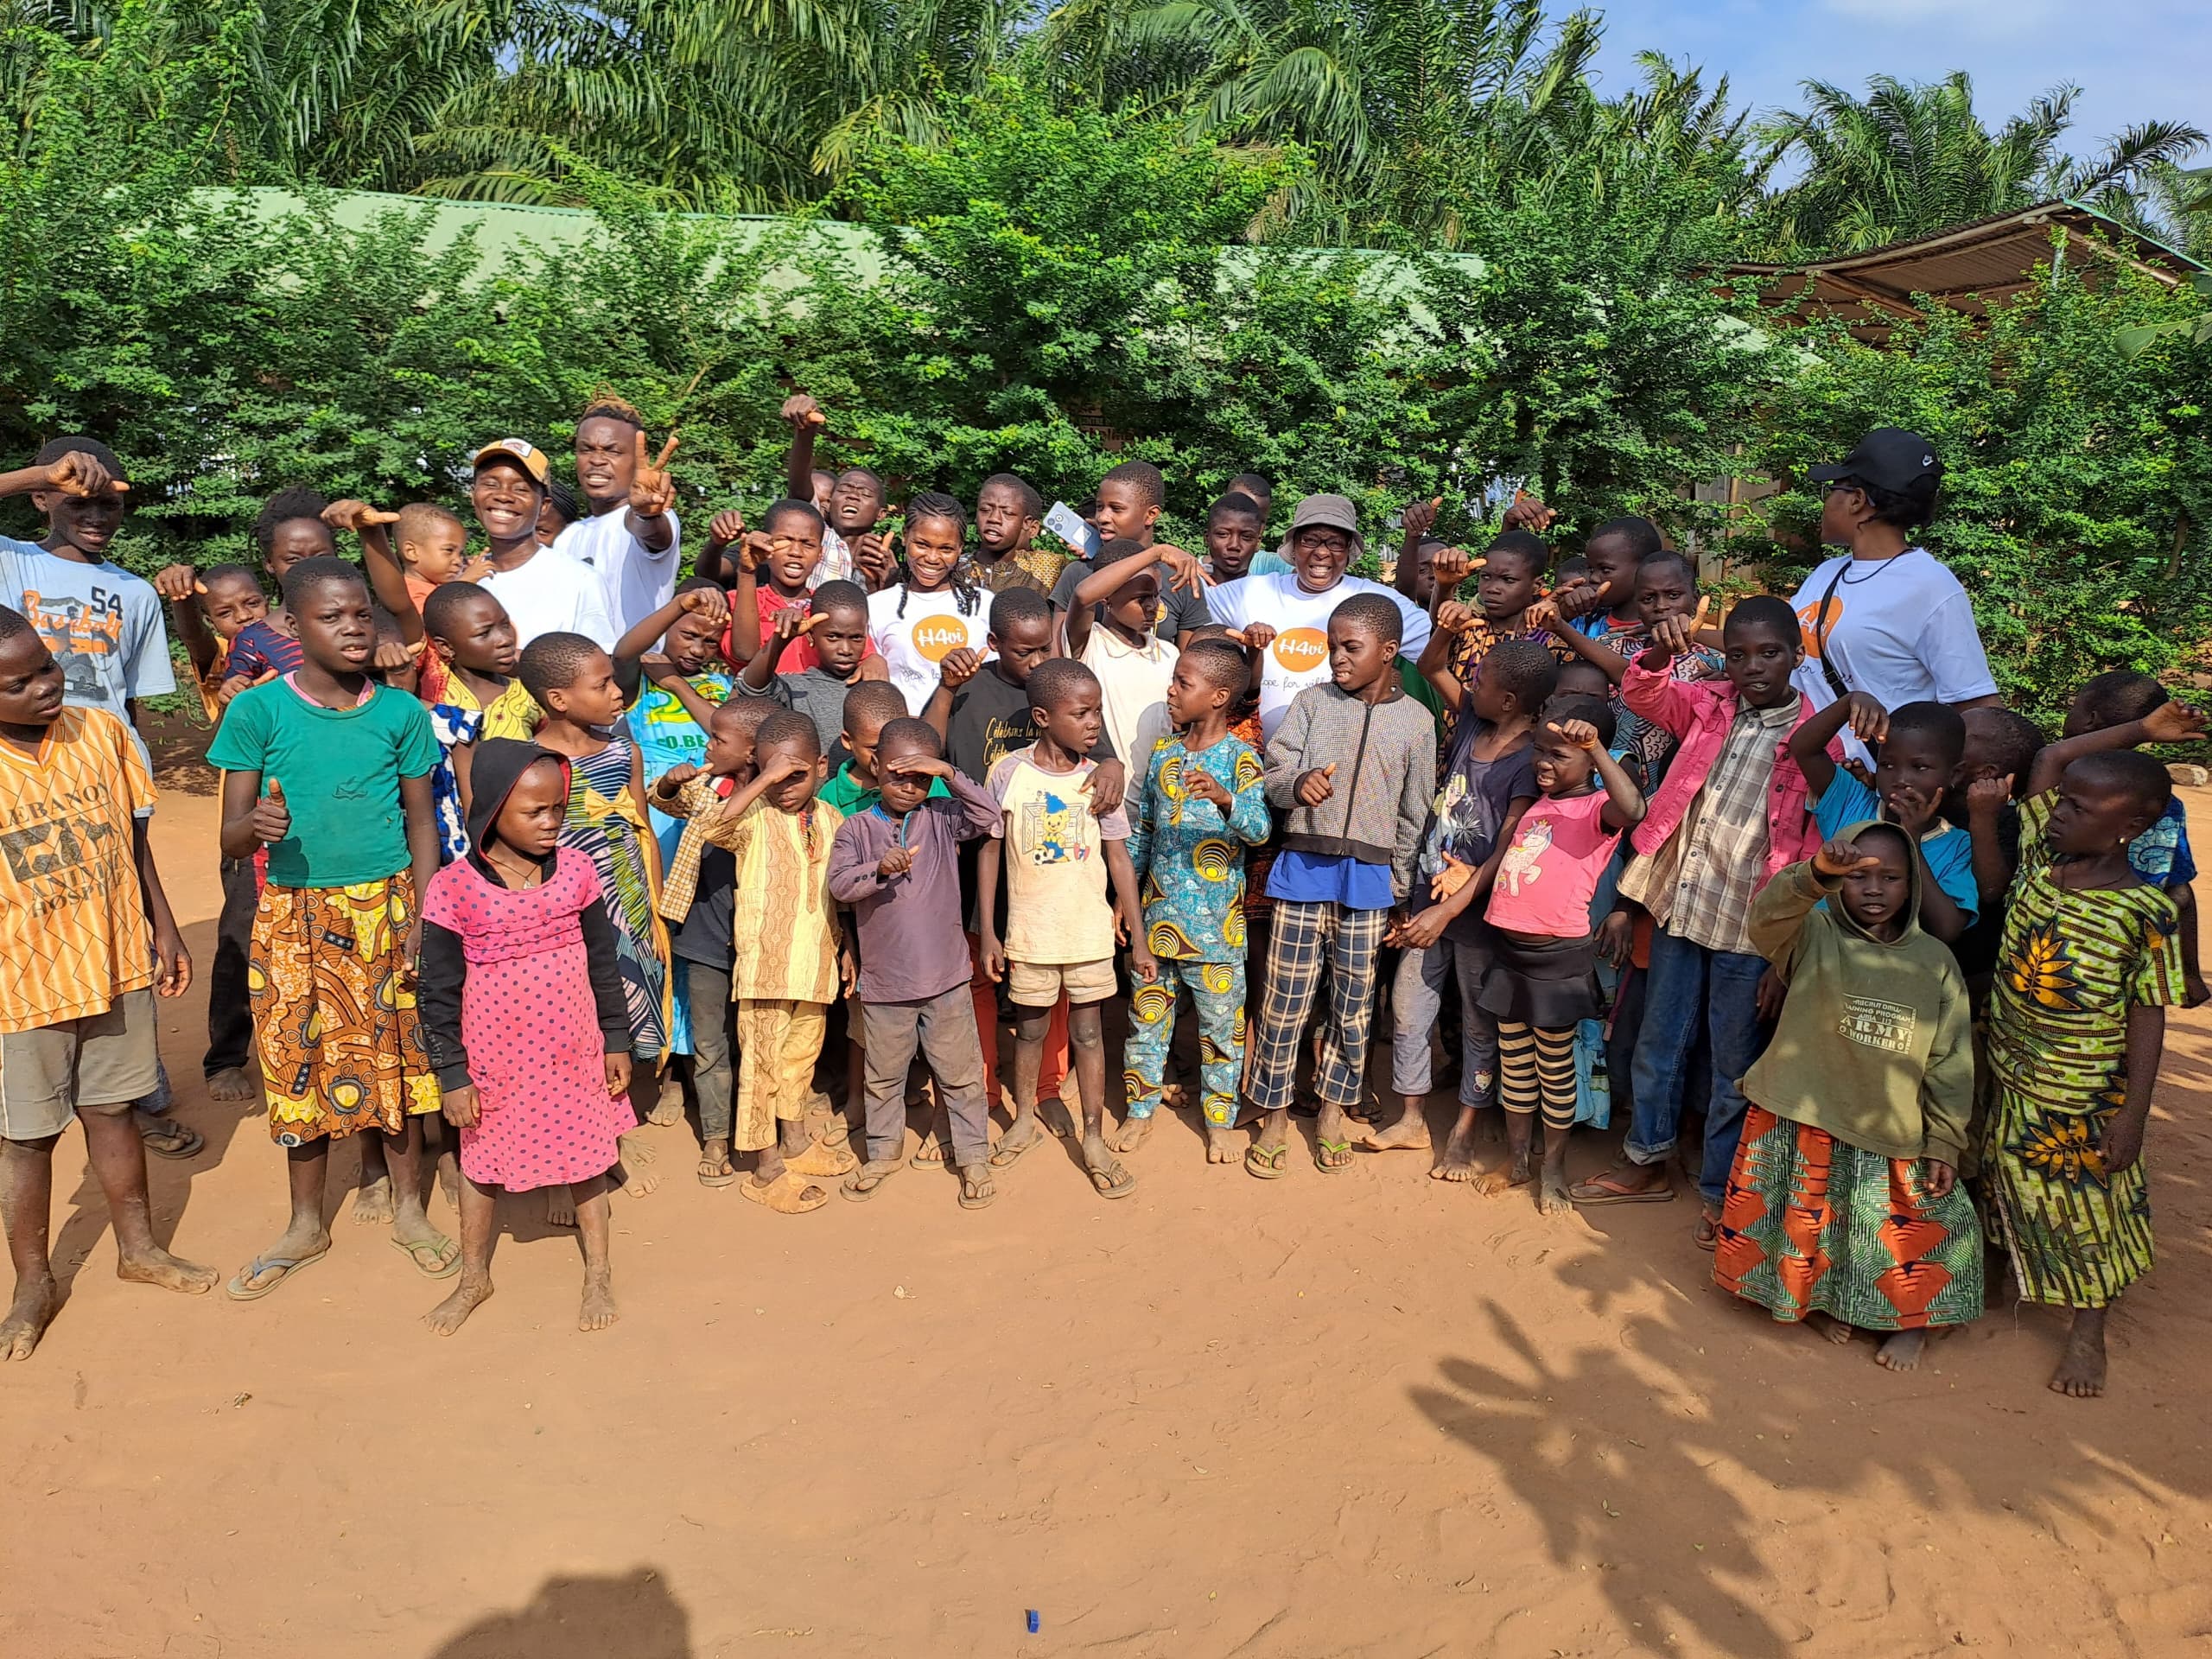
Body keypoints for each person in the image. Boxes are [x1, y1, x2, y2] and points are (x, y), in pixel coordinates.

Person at [207, 557, 456, 1300]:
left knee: (399, 1063)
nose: (353, 628)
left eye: (361, 615)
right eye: (331, 616)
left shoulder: (400, 714)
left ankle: (411, 1209)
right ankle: (305, 1222)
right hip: (293, 913)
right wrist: (254, 826)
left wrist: (424, 909)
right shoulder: (257, 713)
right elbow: (229, 836)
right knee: (296, 1062)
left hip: (385, 908)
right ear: (291, 625)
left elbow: (420, 818)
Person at [1569, 598, 1827, 1238]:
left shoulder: (1815, 737)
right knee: (1660, 1042)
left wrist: (1787, 949)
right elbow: (1643, 690)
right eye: (1737, 654)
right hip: (1684, 907)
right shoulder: (1709, 703)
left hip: (1752, 928)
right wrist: (1660, 650)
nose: (1752, 667)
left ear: (1797, 657)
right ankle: (1648, 1160)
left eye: (1769, 653)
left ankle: (1721, 1188)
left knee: (1732, 1064)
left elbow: (1817, 845)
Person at [0, 607, 213, 1361]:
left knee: (114, 1110)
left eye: (46, 668)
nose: (42, 688)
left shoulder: (102, 732)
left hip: (115, 960)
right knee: (27, 1138)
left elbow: (134, 835)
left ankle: (139, 1248)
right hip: (21, 985)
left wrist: (162, 923)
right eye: (16, 683)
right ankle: (33, 1282)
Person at [1714, 823, 1981, 1371]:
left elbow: (1950, 1062)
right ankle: (1810, 1302)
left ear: (1913, 887)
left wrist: (1945, 1142)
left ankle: (1914, 1322)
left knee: (1907, 1237)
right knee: (1808, 1224)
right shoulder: (1813, 934)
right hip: (1801, 1112)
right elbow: (1765, 918)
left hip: (1887, 1125)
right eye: (1858, 877)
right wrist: (1814, 876)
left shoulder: (1935, 961)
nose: (1875, 889)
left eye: (1891, 877)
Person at [1982, 750, 2183, 1398]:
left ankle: (2086, 1330)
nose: (2059, 814)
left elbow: (2148, 1016)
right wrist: (2146, 731)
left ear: (2131, 826)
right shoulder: (2045, 862)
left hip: (2082, 1090)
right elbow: (2051, 758)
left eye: (2078, 808)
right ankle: (1999, 1275)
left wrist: (2133, 1115)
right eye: (2062, 801)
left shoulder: (2147, 913)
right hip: (2004, 1066)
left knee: (2087, 1209)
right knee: (1996, 1176)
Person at [416, 741, 633, 1336]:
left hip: (574, 1050)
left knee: (588, 1159)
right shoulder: (454, 889)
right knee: (481, 1165)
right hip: (495, 1060)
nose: (550, 823)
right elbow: (435, 990)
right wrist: (452, 1074)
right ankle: (473, 1277)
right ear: (490, 811)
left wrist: (616, 1037)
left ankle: (598, 1273)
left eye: (557, 810)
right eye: (533, 813)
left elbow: (603, 962)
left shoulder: (578, 873)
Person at [1246, 594, 1436, 1179]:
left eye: (1350, 648)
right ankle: (1275, 1115)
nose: (1337, 659)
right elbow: (1271, 772)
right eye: (1332, 646)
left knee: (1353, 1010)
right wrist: (1296, 784)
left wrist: (1400, 889)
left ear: (1388, 651)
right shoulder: (1311, 704)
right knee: (1284, 1001)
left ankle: (1330, 1113)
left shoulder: (1418, 723)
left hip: (1371, 885)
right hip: (1303, 872)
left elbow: (1416, 813)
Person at [656, 711, 855, 1214]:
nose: (784, 787)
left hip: (814, 966)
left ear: (823, 767)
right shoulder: (751, 818)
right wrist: (764, 780)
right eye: (772, 774)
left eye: (797, 775)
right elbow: (713, 825)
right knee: (761, 1068)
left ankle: (794, 1142)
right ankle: (765, 1166)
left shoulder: (832, 821)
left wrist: (845, 947)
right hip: (764, 970)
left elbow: (834, 895)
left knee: (798, 1063)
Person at [1373, 639, 1550, 1177]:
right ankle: (1411, 1117)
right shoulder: (1475, 723)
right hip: (1430, 899)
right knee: (1409, 1008)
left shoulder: (1529, 759)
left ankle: (1466, 1128)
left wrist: (1448, 912)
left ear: (1511, 699)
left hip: (1474, 914)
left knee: (1478, 1023)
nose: (1472, 684)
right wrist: (1445, 616)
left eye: (1484, 679)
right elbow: (1430, 665)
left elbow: (1507, 847)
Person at [976, 659, 1147, 1200]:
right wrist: (988, 930)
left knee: (1089, 1033)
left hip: (1089, 933)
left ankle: (1092, 1138)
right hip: (1029, 931)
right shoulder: (1007, 772)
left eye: (1097, 710)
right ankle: (1024, 1118)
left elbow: (1118, 859)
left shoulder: (1100, 778)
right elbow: (990, 849)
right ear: (1044, 717)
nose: (1095, 721)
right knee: (1028, 1030)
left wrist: (1139, 939)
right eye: (1082, 712)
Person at [827, 718, 1005, 1209]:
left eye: (920, 777)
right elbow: (840, 885)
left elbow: (992, 818)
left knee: (961, 1072)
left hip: (946, 977)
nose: (909, 786)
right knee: (884, 1075)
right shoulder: (857, 828)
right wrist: (877, 868)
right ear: (875, 766)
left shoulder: (944, 817)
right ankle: (883, 1153)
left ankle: (972, 1156)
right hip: (886, 983)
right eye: (898, 774)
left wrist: (947, 770)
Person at [516, 632, 672, 1190]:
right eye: (601, 683)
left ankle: (611, 1130)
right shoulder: (534, 764)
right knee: (574, 1021)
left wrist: (653, 910)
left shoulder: (622, 752)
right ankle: (583, 1149)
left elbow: (643, 832)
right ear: (558, 699)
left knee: (624, 1016)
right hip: (567, 913)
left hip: (627, 903)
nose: (616, 693)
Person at [1479, 700, 1644, 1211]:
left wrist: (1595, 749)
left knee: (1554, 1071)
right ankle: (1518, 1158)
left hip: (1558, 960)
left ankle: (1552, 1166)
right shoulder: (1537, 805)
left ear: (1593, 761)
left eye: (1560, 756)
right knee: (1515, 1067)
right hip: (1510, 953)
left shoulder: (1598, 809)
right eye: (1540, 752)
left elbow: (1635, 809)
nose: (1544, 763)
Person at [1118, 640, 1270, 1161]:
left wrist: (1225, 798)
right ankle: (1139, 1113)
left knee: (1221, 1033)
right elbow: (1142, 832)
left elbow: (1259, 831)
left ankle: (1219, 1121)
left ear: (1219, 696)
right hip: (1157, 923)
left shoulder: (1242, 760)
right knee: (1146, 1025)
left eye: (1184, 682)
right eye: (1175, 679)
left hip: (1217, 932)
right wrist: (1128, 901)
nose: (1172, 690)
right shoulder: (1163, 753)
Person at [1789, 429, 1999, 749]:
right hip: (1791, 768)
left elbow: (1979, 708)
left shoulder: (1933, 588)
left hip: (1857, 783)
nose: (1825, 502)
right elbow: (1775, 648)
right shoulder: (1827, 573)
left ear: (1857, 500)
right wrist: (1691, 631)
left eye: (1832, 490)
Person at [2031, 672, 2208, 1007]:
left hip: (2043, 956)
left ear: (2090, 718)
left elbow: (2050, 756)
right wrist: (2190, 973)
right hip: (2120, 966)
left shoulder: (2053, 786)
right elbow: (2179, 889)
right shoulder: (2163, 803)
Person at [659, 698, 776, 1187]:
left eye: (717, 740)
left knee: (758, 1042)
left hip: (759, 943)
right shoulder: (709, 789)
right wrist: (669, 783)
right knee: (709, 1042)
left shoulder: (780, 802)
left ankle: (761, 1131)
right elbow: (665, 801)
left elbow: (728, 828)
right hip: (705, 938)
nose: (708, 746)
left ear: (751, 751)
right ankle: (714, 1134)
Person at [1206, 494, 1433, 740]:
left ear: (1349, 551)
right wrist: (1165, 555)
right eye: (1310, 540)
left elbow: (1439, 650)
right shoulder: (1250, 592)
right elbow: (1183, 610)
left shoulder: (1376, 601)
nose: (1322, 552)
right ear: (1294, 548)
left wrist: (1446, 588)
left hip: (1334, 765)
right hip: (1252, 763)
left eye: (1335, 543)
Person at [1789, 695, 1976, 942]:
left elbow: (1947, 929)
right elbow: (1804, 748)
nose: (1900, 779)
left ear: (1955, 774)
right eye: (1887, 765)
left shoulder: (1957, 846)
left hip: (1888, 976)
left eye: (1919, 767)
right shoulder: (1851, 802)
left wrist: (1912, 839)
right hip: (1818, 958)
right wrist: (1849, 703)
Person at [1417, 531, 1573, 744]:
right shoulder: (1470, 627)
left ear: (1537, 585)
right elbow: (1439, 629)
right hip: (1458, 753)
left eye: (1508, 580)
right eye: (1485, 577)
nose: (1492, 589)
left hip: (1518, 761)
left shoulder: (1553, 643)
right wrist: (1444, 586)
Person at [552, 393, 683, 635]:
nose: (597, 460)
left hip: (632, 671)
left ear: (637, 459)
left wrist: (646, 515)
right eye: (586, 449)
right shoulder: (568, 537)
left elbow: (651, 534)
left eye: (612, 451)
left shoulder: (656, 518)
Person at [1062, 538, 1200, 767]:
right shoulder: (1090, 642)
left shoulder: (1168, 653)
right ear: (1106, 597)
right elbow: (1083, 596)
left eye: (1157, 595)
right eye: (1141, 598)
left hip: (1155, 791)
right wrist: (1157, 552)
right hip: (1105, 789)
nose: (1153, 605)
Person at [469, 439, 616, 650]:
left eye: (520, 489)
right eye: (491, 484)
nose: (503, 496)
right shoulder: (463, 577)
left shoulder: (579, 580)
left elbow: (596, 665)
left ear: (544, 506)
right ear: (473, 495)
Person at [1049, 461, 1211, 649]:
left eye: (1116, 509)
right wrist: (1158, 552)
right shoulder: (1078, 573)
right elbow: (1058, 651)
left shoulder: (1181, 579)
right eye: (1100, 507)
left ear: (1151, 514)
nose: (1102, 517)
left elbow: (1187, 661)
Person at [867, 492, 988, 715]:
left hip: (969, 735)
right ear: (905, 537)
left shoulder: (986, 605)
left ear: (961, 548)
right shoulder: (875, 607)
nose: (932, 558)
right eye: (922, 544)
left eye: (946, 549)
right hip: (903, 738)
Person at [734, 580, 878, 760]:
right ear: (811, 636)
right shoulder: (796, 688)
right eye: (833, 637)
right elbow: (751, 688)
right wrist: (780, 639)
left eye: (856, 638)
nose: (845, 649)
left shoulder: (873, 686)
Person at [720, 499, 849, 675]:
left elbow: (861, 654)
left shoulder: (830, 608)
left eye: (807, 544)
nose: (796, 552)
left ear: (820, 554)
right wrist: (746, 573)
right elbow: (745, 654)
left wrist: (874, 660)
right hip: (755, 701)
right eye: (785, 541)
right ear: (767, 545)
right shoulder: (736, 600)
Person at [974, 473, 1065, 596]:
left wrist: (1095, 543)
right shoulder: (955, 567)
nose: (994, 519)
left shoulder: (1050, 568)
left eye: (1008, 513)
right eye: (985, 510)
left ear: (1027, 524)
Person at [391, 503, 476, 609]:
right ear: (411, 552)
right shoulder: (407, 592)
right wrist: (465, 583)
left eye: (461, 553)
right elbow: (435, 619)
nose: (458, 561)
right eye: (449, 550)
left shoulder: (438, 587)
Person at [1200, 492, 1265, 583]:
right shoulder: (1185, 587)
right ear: (1207, 538)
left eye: (1246, 537)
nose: (1234, 545)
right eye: (1223, 534)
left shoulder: (1267, 594)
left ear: (1258, 543)